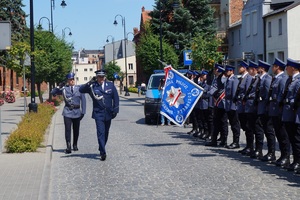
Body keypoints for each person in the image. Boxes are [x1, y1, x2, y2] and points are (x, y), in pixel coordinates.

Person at [79, 69, 119, 161]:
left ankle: (101, 147)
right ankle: (103, 152)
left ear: (104, 77)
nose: (101, 78)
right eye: (99, 77)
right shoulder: (93, 86)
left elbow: (115, 98)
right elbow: (81, 90)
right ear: (96, 77)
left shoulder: (110, 85)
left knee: (106, 133)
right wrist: (89, 82)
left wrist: (115, 110)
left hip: (108, 113)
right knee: (100, 132)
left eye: (102, 77)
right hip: (98, 113)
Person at [51, 72, 86, 154]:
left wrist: (83, 112)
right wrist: (59, 86)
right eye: (70, 79)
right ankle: (68, 146)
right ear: (68, 81)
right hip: (67, 111)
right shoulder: (64, 89)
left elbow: (83, 100)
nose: (72, 81)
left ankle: (75, 144)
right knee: (67, 130)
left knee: (76, 129)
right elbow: (53, 93)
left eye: (73, 79)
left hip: (77, 111)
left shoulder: (79, 89)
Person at [268, 58, 290, 167]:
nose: (272, 68)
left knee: (283, 135)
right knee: (278, 134)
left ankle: (286, 157)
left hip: (279, 111)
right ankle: (282, 155)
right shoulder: (275, 79)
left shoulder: (282, 79)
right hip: (274, 111)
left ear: (277, 67)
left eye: (274, 66)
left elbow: (282, 95)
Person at [281, 58, 300, 171]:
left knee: (297, 139)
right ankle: (295, 160)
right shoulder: (290, 80)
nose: (286, 69)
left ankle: (298, 161)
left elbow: (297, 99)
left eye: (287, 67)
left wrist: (291, 103)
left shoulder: (298, 80)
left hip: (295, 112)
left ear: (292, 68)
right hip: (288, 113)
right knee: (292, 138)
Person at [235, 61, 253, 154]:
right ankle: (248, 146)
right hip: (240, 106)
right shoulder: (242, 78)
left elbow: (247, 92)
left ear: (245, 68)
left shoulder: (248, 78)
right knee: (244, 126)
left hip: (244, 105)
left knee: (248, 127)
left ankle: (250, 147)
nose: (239, 69)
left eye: (240, 67)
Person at [224, 65, 241, 149]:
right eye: (226, 71)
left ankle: (236, 142)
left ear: (232, 71)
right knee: (232, 123)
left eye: (228, 71)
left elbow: (234, 94)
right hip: (228, 104)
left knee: (235, 124)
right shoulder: (228, 80)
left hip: (232, 104)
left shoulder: (234, 80)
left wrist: (233, 106)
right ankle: (234, 141)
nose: (226, 72)